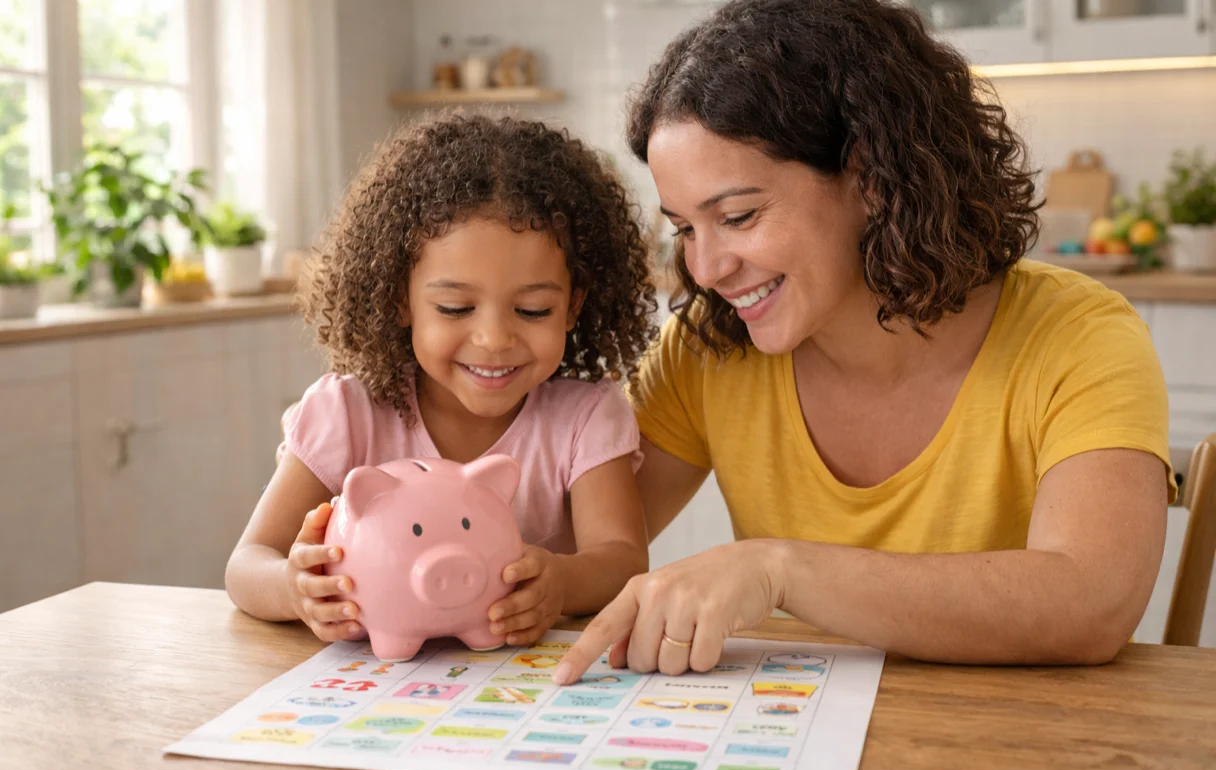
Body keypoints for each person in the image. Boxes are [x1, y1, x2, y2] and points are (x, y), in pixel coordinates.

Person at [555, 0, 1174, 686]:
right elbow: (565, 547)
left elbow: (1090, 604)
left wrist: (778, 569)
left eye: (738, 216)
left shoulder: (1077, 339)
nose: (706, 269)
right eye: (686, 229)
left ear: (872, 179)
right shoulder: (705, 352)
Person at [225, 114, 657, 648]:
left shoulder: (586, 419)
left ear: (573, 306)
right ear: (401, 301)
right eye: (455, 308)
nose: (495, 339)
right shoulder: (349, 413)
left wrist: (562, 583)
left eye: (532, 309)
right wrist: (293, 590)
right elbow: (245, 566)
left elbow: (622, 559)